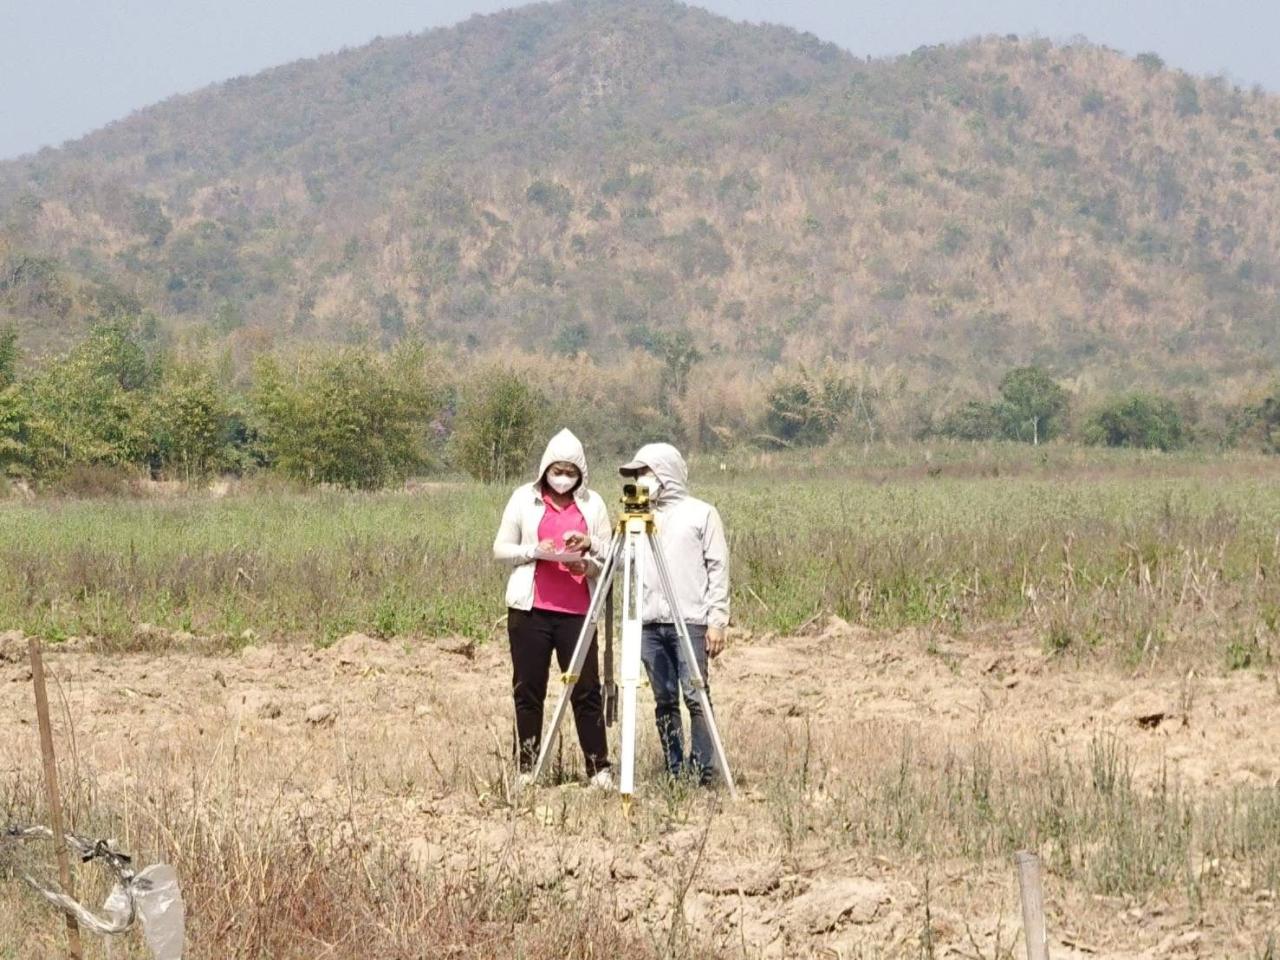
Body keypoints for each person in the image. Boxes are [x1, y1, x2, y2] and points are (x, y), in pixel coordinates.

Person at [493, 428, 614, 789]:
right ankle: (527, 767)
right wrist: (534, 550)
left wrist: (587, 559)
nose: (562, 479)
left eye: (570, 472)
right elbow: (501, 548)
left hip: (578, 612)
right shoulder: (522, 499)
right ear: (545, 469)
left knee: (586, 690)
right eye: (556, 471)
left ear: (581, 474)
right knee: (528, 689)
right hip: (530, 610)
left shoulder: (593, 505)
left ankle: (599, 768)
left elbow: (611, 552)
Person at [620, 442, 729, 785]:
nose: (640, 480)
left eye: (645, 472)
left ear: (665, 473)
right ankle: (674, 767)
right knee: (664, 699)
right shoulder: (639, 518)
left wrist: (717, 621)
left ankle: (704, 770)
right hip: (650, 622)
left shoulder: (702, 513)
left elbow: (718, 568)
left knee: (695, 696)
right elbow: (622, 562)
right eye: (636, 474)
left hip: (691, 620)